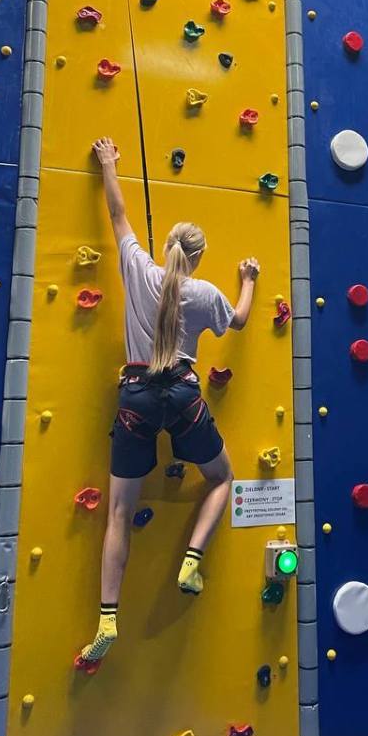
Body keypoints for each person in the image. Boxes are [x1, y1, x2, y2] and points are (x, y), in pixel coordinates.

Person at [78, 137, 260, 667]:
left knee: (119, 512)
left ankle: (107, 618)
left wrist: (109, 164)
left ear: (166, 249)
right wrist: (248, 280)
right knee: (222, 478)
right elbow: (240, 320)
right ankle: (192, 558)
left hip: (136, 393)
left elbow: (118, 214)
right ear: (198, 258)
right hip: (183, 391)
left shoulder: (138, 269)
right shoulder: (203, 293)